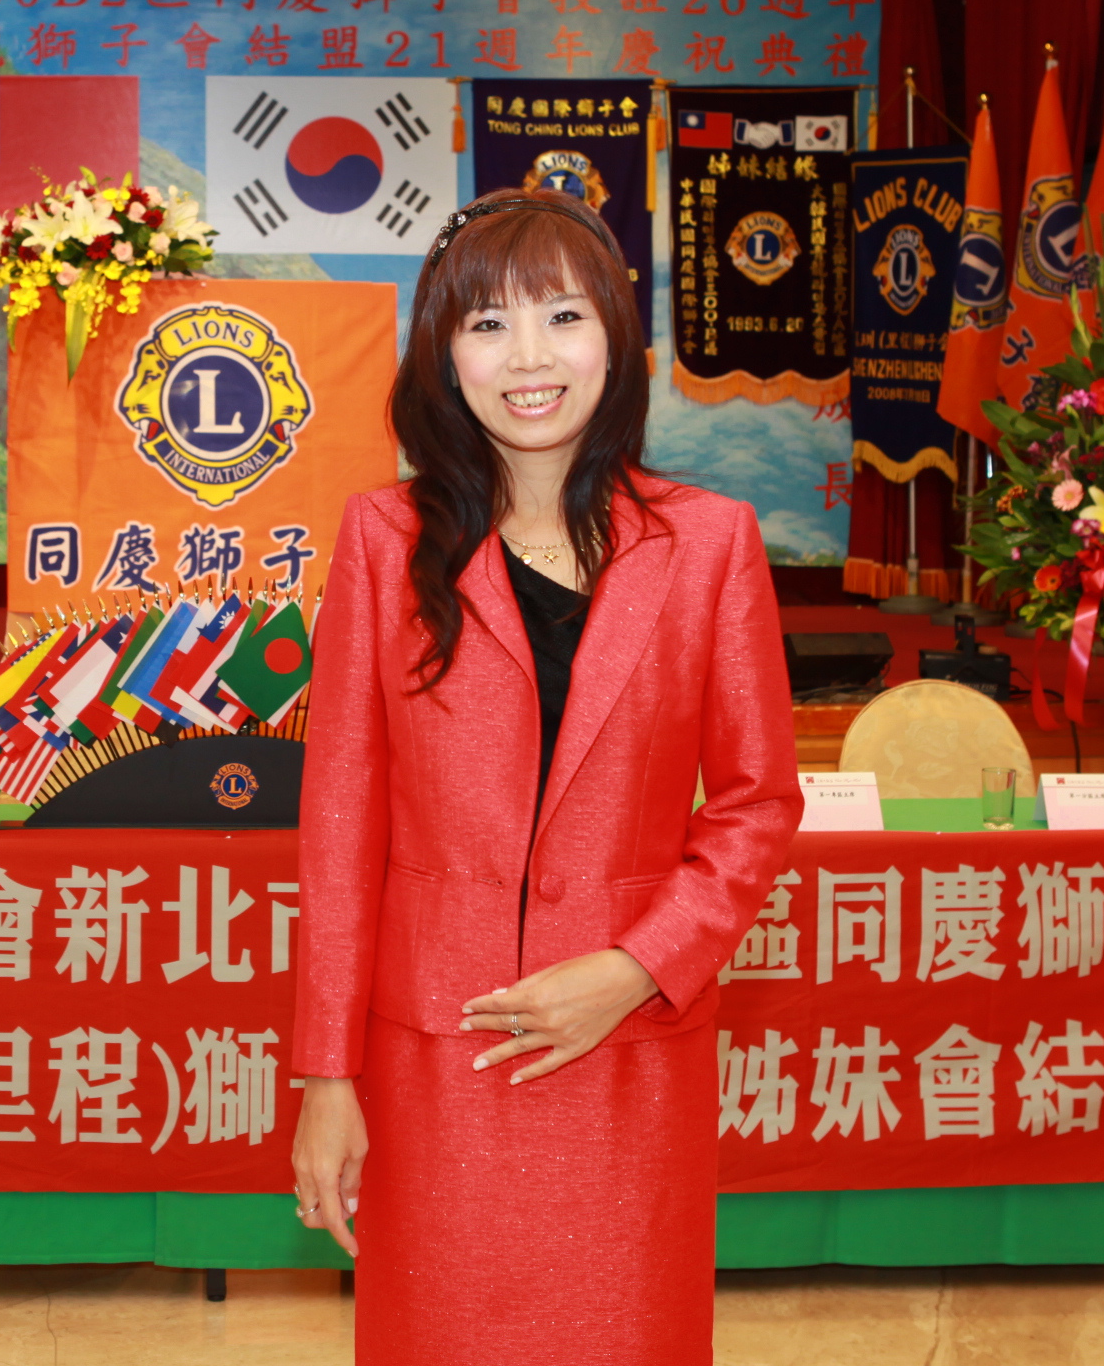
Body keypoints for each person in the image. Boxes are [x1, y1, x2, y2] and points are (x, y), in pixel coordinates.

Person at [289, 187, 802, 1364]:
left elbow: (756, 803)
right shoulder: (384, 540)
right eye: (488, 323)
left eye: (563, 315)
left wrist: (637, 966)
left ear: (614, 337)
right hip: (435, 1054)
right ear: (445, 354)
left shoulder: (709, 541)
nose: (528, 356)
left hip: (625, 1044)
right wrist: (327, 1074)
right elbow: (340, 826)